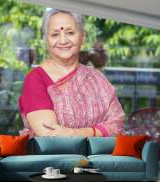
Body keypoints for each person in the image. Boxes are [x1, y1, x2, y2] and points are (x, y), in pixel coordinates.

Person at [18, 9, 124, 138]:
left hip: (101, 156)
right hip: (54, 158)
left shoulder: (97, 78)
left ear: (82, 37)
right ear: (46, 40)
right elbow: (50, 135)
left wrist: (76, 133)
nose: (63, 41)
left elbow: (117, 125)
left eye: (70, 33)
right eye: (55, 34)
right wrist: (98, 131)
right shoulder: (36, 79)